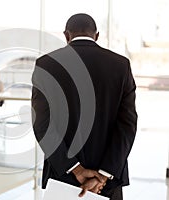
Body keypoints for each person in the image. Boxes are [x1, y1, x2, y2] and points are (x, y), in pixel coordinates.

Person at [31, 13, 137, 200]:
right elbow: (127, 125)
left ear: (66, 35)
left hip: (62, 177)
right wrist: (104, 174)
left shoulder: (46, 64)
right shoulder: (121, 65)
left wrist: (75, 169)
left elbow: (42, 124)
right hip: (107, 184)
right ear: (97, 35)